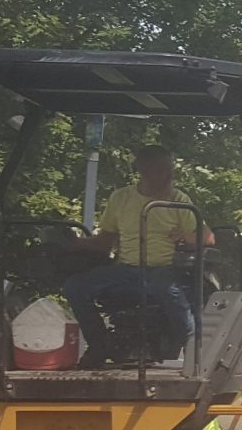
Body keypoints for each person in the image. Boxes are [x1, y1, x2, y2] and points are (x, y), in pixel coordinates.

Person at [65, 147, 209, 367]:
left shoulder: (179, 200)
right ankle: (99, 344)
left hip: (164, 268)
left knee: (165, 287)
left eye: (171, 170)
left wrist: (187, 236)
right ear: (143, 170)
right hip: (127, 269)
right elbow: (105, 243)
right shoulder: (121, 198)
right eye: (163, 170)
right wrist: (73, 244)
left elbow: (207, 239)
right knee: (76, 285)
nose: (170, 176)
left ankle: (193, 344)